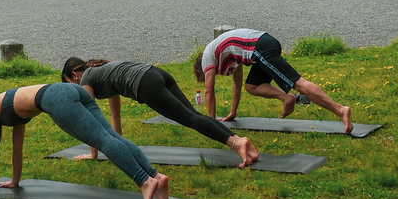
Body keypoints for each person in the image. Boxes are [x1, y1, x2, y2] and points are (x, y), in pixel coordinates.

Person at [0, 84, 171, 199]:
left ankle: (144, 181)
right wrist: (15, 181)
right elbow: (17, 150)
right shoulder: (8, 104)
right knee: (110, 136)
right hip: (70, 90)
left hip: (56, 98)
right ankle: (156, 177)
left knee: (101, 140)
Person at [60, 57, 260, 168]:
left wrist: (93, 155)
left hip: (146, 84)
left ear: (74, 75)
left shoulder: (86, 79)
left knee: (190, 119)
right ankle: (237, 139)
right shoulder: (101, 71)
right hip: (156, 73)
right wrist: (117, 148)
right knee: (195, 116)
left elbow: (90, 118)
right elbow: (115, 117)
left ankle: (236, 143)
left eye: (70, 84)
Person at [193, 29, 354, 135]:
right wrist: (232, 113)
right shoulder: (227, 53)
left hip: (260, 47)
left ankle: (340, 110)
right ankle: (287, 97)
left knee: (297, 82)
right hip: (263, 42)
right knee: (252, 86)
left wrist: (212, 126)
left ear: (203, 68)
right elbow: (238, 85)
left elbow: (209, 92)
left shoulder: (208, 56)